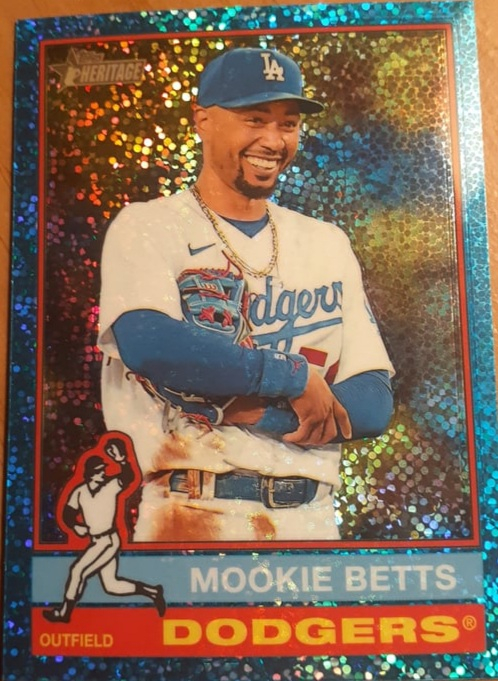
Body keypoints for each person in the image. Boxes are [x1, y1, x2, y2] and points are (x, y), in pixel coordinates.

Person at [97, 47, 394, 543]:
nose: (273, 140)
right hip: (190, 509)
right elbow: (152, 345)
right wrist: (294, 378)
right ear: (203, 120)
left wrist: (252, 410)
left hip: (311, 519)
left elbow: (372, 401)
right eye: (254, 119)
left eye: (288, 124)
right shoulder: (148, 225)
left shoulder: (326, 241)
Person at [43, 435, 166, 622]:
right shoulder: (80, 491)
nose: (103, 473)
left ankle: (65, 612)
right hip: (96, 540)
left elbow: (128, 477)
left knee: (78, 571)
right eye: (99, 471)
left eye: (103, 470)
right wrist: (75, 526)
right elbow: (68, 514)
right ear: (91, 473)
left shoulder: (110, 486)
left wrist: (121, 460)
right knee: (111, 586)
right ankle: (153, 591)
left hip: (108, 540)